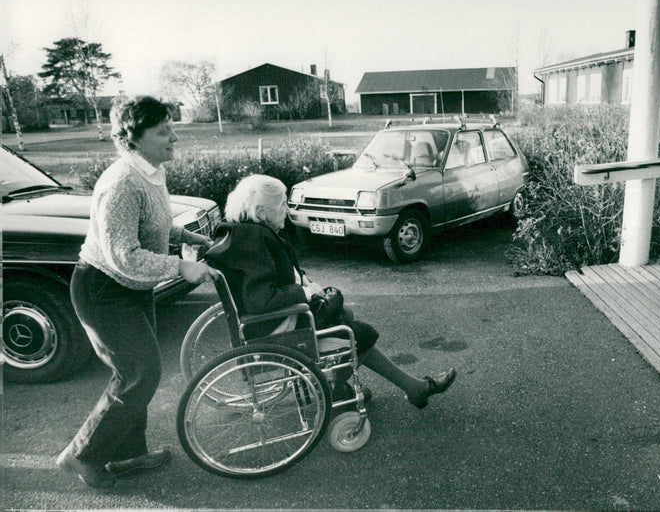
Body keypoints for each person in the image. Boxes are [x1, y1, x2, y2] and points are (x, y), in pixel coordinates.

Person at [56, 96, 216, 489]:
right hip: (102, 289)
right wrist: (180, 266)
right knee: (140, 373)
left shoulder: (150, 171)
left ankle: (127, 455)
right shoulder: (122, 182)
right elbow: (123, 255)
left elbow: (151, 223)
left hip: (131, 289)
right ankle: (81, 456)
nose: (174, 137)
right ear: (133, 138)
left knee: (135, 372)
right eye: (163, 131)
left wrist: (182, 235)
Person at [205, 174, 456, 409]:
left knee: (344, 314)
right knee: (358, 334)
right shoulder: (256, 240)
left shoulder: (242, 234)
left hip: (274, 321)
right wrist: (304, 293)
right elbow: (260, 300)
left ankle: (355, 387)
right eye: (282, 204)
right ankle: (351, 387)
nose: (287, 210)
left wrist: (306, 288)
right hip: (278, 327)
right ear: (261, 211)